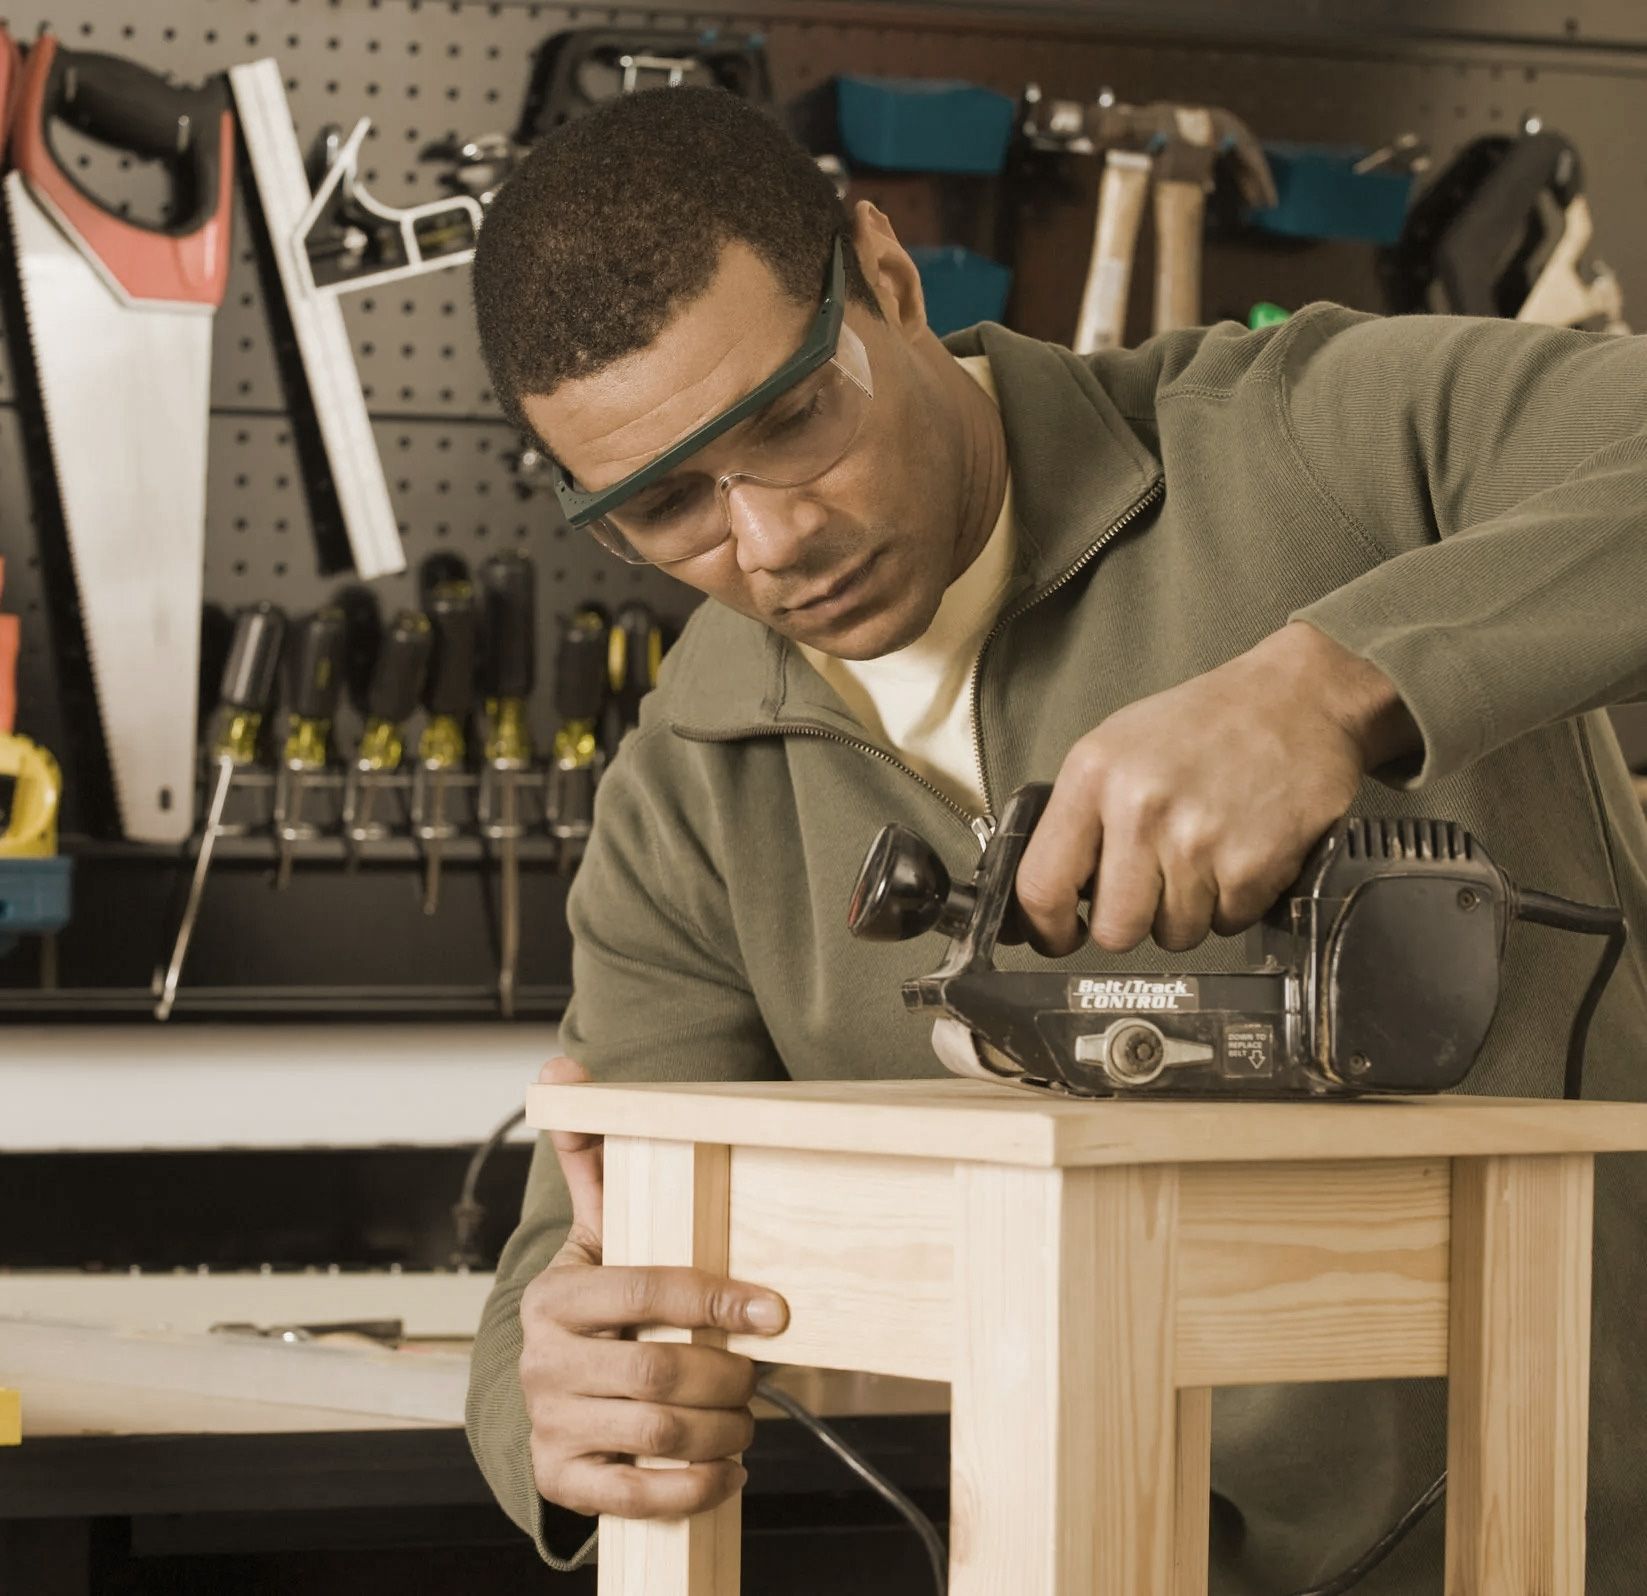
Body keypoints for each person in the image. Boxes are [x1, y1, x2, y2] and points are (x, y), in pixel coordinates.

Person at [465, 85, 1647, 1592]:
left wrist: (1337, 680)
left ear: (886, 283)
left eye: (791, 419)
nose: (768, 542)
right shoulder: (692, 794)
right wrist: (553, 1401)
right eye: (664, 506)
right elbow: (571, 1256)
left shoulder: (1313, 444)